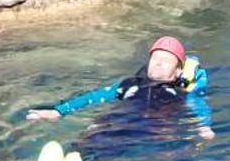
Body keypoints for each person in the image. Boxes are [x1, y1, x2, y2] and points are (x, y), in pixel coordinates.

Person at [27, 35, 216, 140]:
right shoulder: (128, 84)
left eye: (166, 60)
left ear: (177, 71)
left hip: (153, 131)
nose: (158, 63)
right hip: (119, 120)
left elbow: (199, 106)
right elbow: (95, 96)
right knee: (92, 133)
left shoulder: (182, 93)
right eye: (155, 58)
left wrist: (204, 126)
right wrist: (59, 112)